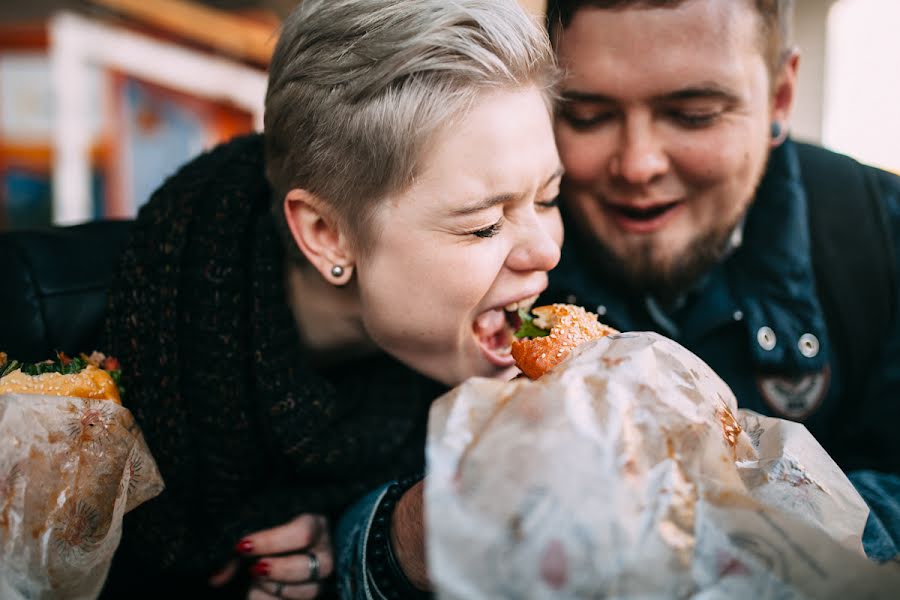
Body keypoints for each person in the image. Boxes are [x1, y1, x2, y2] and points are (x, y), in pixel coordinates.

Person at [99, 0, 562, 598]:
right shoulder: (51, 333)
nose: (546, 250)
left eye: (548, 199)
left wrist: (351, 538)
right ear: (327, 234)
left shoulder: (529, 356)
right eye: (483, 225)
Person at [544, 0, 900, 562]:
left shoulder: (882, 235)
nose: (637, 164)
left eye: (694, 114)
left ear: (781, 96)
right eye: (587, 115)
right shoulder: (486, 250)